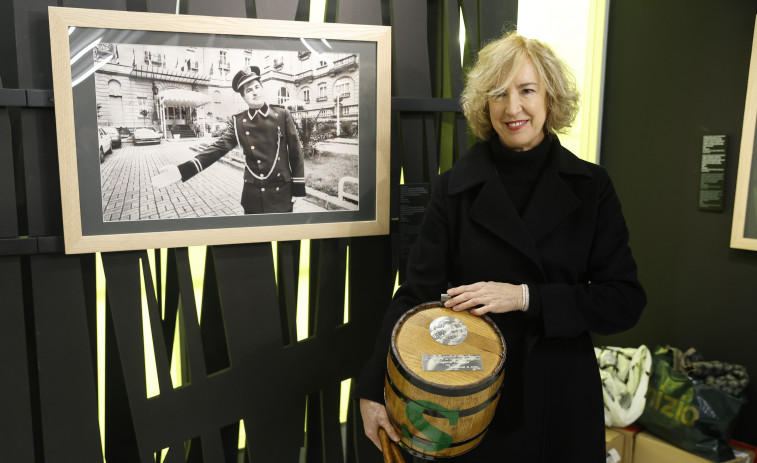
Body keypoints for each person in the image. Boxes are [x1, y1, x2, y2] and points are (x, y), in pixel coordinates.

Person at [357, 31, 646, 462]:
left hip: (560, 400)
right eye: (498, 93)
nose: (513, 108)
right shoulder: (453, 188)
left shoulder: (592, 187)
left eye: (526, 90)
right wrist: (372, 389)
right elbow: (415, 295)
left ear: (550, 96)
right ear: (482, 104)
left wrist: (524, 297)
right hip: (470, 399)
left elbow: (623, 301)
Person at [151, 66, 306, 214]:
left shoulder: (282, 114)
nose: (254, 92)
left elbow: (295, 153)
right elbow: (218, 149)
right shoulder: (239, 122)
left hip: (282, 193)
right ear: (244, 97)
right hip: (255, 195)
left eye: (257, 87)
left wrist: (298, 189)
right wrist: (181, 170)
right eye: (249, 90)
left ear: (262, 88)